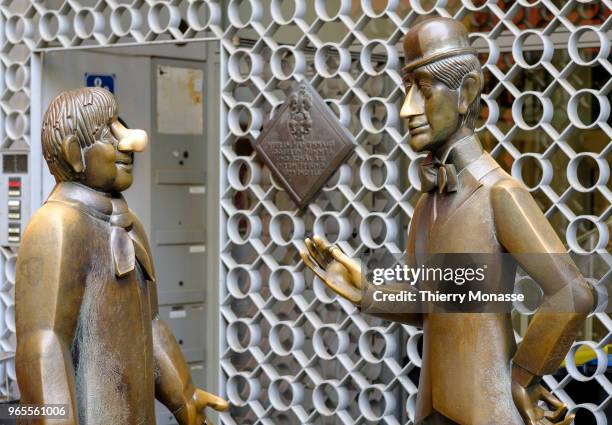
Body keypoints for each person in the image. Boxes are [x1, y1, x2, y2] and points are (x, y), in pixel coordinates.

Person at [301, 17, 592, 425]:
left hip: (487, 411)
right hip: (432, 409)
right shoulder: (427, 204)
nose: (407, 110)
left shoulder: (499, 194)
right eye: (405, 92)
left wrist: (524, 376)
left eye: (421, 91)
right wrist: (366, 290)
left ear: (466, 91)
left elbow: (571, 293)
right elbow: (432, 301)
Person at [16, 87, 228, 424]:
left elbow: (150, 324)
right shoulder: (56, 226)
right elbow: (43, 345)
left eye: (120, 127)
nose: (129, 143)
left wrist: (183, 395)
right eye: (107, 134)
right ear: (75, 153)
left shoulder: (129, 226)